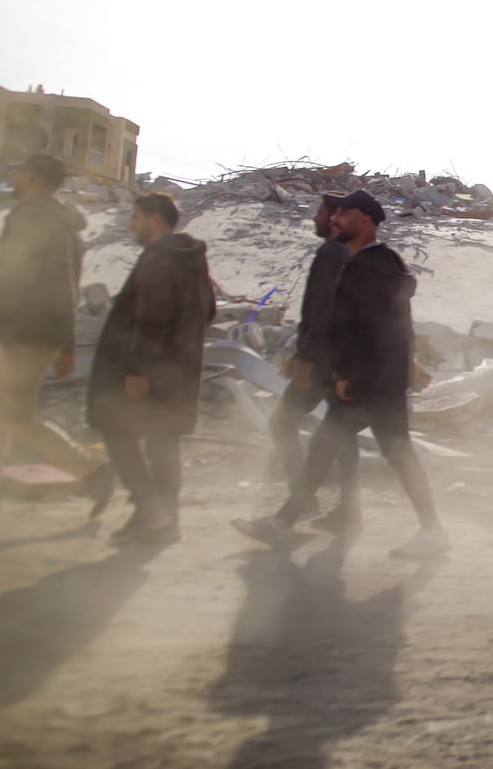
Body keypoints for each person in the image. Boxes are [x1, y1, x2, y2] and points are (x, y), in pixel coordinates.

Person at [234, 190, 449, 560]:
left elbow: (371, 326)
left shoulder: (371, 265)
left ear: (364, 219)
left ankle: (432, 531)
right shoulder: (373, 264)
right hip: (378, 376)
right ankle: (289, 522)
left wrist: (349, 372)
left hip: (373, 380)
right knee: (363, 447)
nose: (335, 219)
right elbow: (391, 323)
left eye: (344, 214)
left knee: (388, 450)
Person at [87, 193, 216, 545]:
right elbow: (209, 312)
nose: (132, 224)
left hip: (148, 371)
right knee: (163, 443)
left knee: (115, 430)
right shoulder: (193, 258)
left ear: (154, 221)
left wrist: (138, 368)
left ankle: (149, 510)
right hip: (179, 371)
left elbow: (152, 316)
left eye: (136, 217)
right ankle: (166, 520)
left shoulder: (160, 257)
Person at [0, 153, 114, 517]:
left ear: (32, 177)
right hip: (30, 333)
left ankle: (92, 473)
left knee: (13, 417)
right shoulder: (59, 223)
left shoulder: (35, 218)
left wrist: (65, 344)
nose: (15, 178)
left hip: (27, 334)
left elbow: (15, 280)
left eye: (20, 172)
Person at [267, 195, 360, 530]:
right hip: (341, 359)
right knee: (342, 433)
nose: (315, 218)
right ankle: (348, 511)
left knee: (282, 422)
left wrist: (305, 357)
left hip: (323, 360)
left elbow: (321, 309)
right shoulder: (351, 253)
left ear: (336, 217)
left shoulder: (331, 253)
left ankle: (304, 501)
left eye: (320, 212)